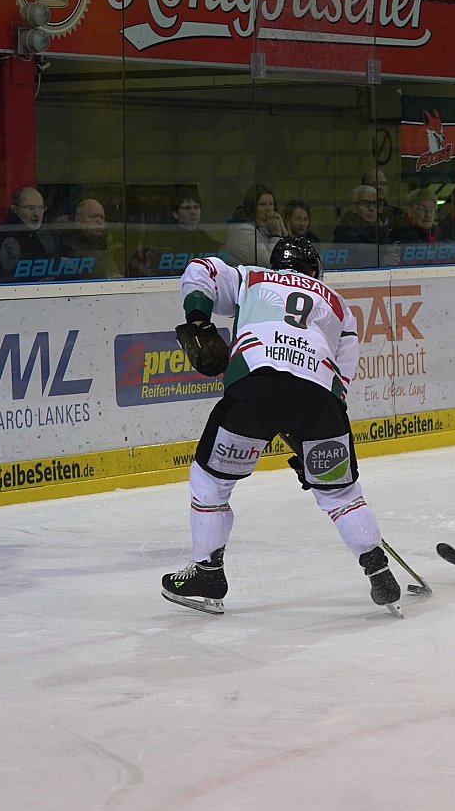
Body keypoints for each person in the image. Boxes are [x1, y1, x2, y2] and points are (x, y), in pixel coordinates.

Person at [161, 237, 411, 615]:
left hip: (255, 389)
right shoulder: (339, 305)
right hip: (319, 403)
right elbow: (340, 383)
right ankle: (379, 570)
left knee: (210, 482)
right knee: (341, 495)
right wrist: (309, 448)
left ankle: (208, 573)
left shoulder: (252, 278)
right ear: (314, 270)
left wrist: (199, 319)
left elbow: (202, 269)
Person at [0, 186, 55, 282]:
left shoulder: (44, 232)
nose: (37, 214)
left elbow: (52, 257)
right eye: (30, 208)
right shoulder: (6, 235)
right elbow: (7, 276)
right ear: (14, 209)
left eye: (40, 208)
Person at [57, 198, 122, 279]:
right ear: (78, 220)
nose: (99, 221)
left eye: (102, 217)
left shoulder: (102, 247)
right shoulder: (68, 248)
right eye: (93, 216)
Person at [225, 184, 285, 267]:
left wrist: (282, 228)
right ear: (252, 207)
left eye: (271, 204)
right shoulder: (242, 231)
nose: (269, 209)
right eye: (263, 204)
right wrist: (276, 235)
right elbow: (268, 263)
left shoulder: (267, 227)